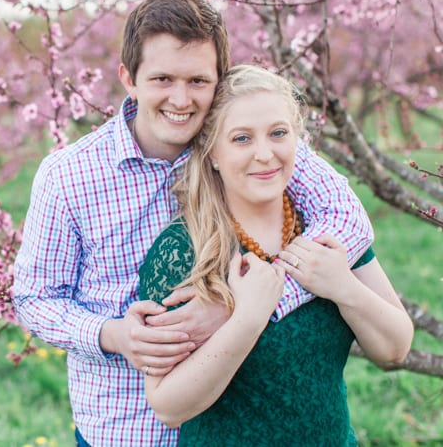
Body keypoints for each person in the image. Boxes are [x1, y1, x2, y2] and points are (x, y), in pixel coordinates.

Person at [12, 0, 375, 447]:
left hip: (231, 420)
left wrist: (246, 302)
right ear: (129, 77)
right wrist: (113, 334)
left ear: (218, 80)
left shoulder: (245, 142)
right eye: (162, 79)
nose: (181, 100)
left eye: (198, 81)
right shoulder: (70, 175)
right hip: (128, 428)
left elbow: (349, 219)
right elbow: (35, 298)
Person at [139, 64, 413, 446]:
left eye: (278, 134)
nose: (265, 154)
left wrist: (343, 287)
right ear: (213, 152)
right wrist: (247, 319)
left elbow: (394, 349)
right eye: (242, 139)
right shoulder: (184, 250)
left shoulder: (326, 231)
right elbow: (168, 407)